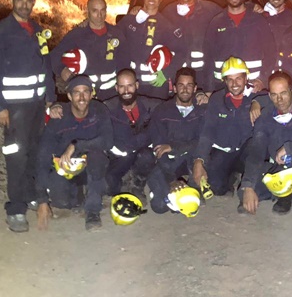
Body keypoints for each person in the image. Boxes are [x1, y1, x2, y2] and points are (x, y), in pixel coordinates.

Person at [0, 0, 56, 233]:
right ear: (12, 1)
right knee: (16, 158)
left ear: (34, 2)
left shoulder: (37, 31)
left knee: (34, 153)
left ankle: (31, 195)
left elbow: (46, 65)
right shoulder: (1, 31)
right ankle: (15, 209)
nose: (24, 5)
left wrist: (50, 97)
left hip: (36, 107)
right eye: (20, 0)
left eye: (29, 0)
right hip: (14, 109)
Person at [239, 71, 292, 239]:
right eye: (274, 95)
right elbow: (256, 150)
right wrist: (248, 186)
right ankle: (286, 194)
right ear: (269, 96)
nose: (279, 99)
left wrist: (291, 148)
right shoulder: (265, 116)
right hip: (281, 170)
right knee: (244, 194)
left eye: (284, 93)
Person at [35, 75, 113, 231]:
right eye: (77, 93)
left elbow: (107, 141)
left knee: (97, 157)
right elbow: (42, 156)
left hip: (90, 163)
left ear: (91, 94)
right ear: (69, 96)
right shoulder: (59, 117)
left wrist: (76, 145)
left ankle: (92, 211)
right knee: (62, 203)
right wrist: (42, 200)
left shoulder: (99, 110)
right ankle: (78, 195)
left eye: (86, 92)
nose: (82, 98)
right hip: (65, 167)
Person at [191, 57, 260, 197]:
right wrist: (199, 159)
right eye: (230, 79)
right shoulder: (217, 99)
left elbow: (274, 99)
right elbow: (208, 130)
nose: (234, 84)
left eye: (239, 78)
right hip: (224, 151)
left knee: (256, 150)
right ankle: (232, 176)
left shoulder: (256, 95)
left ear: (246, 79)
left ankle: (245, 185)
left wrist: (258, 102)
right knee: (216, 187)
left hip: (246, 153)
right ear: (225, 81)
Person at [146, 67, 208, 214]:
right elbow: (160, 149)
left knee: (190, 200)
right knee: (159, 207)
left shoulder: (203, 110)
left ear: (195, 88)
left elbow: (204, 141)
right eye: (181, 85)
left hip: (192, 159)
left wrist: (174, 147)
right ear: (174, 88)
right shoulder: (162, 111)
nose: (185, 90)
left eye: (189, 85)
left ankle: (194, 185)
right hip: (169, 162)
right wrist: (171, 180)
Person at [203, 0, 277, 92]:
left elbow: (271, 53)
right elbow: (208, 57)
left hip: (253, 87)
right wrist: (209, 89)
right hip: (223, 87)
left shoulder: (258, 20)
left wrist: (261, 79)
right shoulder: (216, 23)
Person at [115, 0, 185, 99]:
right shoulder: (129, 20)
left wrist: (166, 73)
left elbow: (182, 52)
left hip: (156, 86)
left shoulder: (167, 25)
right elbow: (111, 36)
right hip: (132, 85)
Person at [102, 69, 160, 202]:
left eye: (130, 85)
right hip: (119, 156)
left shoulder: (151, 105)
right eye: (122, 87)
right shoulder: (107, 108)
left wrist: (199, 96)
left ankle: (138, 185)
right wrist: (58, 106)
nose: (126, 91)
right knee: (109, 185)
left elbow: (175, 105)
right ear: (116, 88)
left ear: (137, 85)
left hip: (141, 153)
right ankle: (124, 181)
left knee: (147, 156)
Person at [50, 0, 120, 98]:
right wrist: (62, 70)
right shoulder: (77, 35)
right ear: (87, 12)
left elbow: (125, 59)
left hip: (112, 95)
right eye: (95, 11)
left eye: (102, 10)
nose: (99, 15)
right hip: (85, 96)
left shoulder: (116, 33)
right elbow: (54, 56)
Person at [162, 0, 222, 87]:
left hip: (204, 76)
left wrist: (250, 6)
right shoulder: (167, 12)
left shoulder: (211, 10)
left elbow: (232, 13)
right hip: (176, 77)